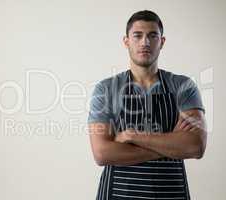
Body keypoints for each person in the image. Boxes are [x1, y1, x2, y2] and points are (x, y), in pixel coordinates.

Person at [87, 10, 207, 200]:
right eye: (138, 36)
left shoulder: (183, 86)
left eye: (152, 35)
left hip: (171, 194)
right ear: (126, 41)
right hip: (118, 194)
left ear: (162, 42)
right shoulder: (106, 89)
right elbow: (102, 153)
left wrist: (133, 135)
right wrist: (171, 146)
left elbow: (195, 146)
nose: (145, 42)